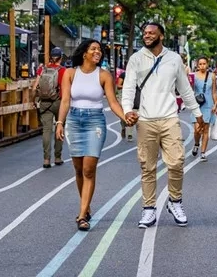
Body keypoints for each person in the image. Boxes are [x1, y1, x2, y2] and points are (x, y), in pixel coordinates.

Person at [121, 22, 204, 229]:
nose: (147, 36)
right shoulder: (136, 59)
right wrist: (127, 111)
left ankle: (175, 202)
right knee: (147, 166)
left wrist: (198, 113)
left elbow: (184, 89)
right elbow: (129, 87)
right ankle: (149, 209)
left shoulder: (174, 59)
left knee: (176, 162)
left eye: (151, 33)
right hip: (146, 119)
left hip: (169, 118)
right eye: (145, 33)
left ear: (161, 36)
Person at [55, 39, 128, 231]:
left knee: (88, 169)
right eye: (93, 49)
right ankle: (85, 207)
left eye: (100, 50)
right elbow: (64, 101)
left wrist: (124, 118)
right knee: (78, 169)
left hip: (95, 122)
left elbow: (112, 102)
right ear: (84, 52)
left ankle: (81, 215)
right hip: (74, 121)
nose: (98, 52)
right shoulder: (70, 73)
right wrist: (60, 123)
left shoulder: (104, 75)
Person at [32, 47, 66, 168]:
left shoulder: (42, 69)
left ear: (51, 57)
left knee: (46, 130)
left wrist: (34, 100)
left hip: (45, 102)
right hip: (59, 102)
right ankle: (58, 157)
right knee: (59, 127)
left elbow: (35, 86)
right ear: (61, 57)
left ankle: (46, 159)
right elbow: (65, 89)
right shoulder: (63, 70)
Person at [191, 57, 217, 162]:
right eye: (200, 64)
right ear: (197, 65)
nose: (202, 66)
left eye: (204, 63)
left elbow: (214, 92)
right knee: (197, 129)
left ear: (207, 64)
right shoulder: (194, 76)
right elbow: (190, 90)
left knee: (206, 129)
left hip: (208, 105)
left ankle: (203, 153)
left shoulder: (212, 76)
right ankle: (197, 144)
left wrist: (216, 105)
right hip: (197, 104)